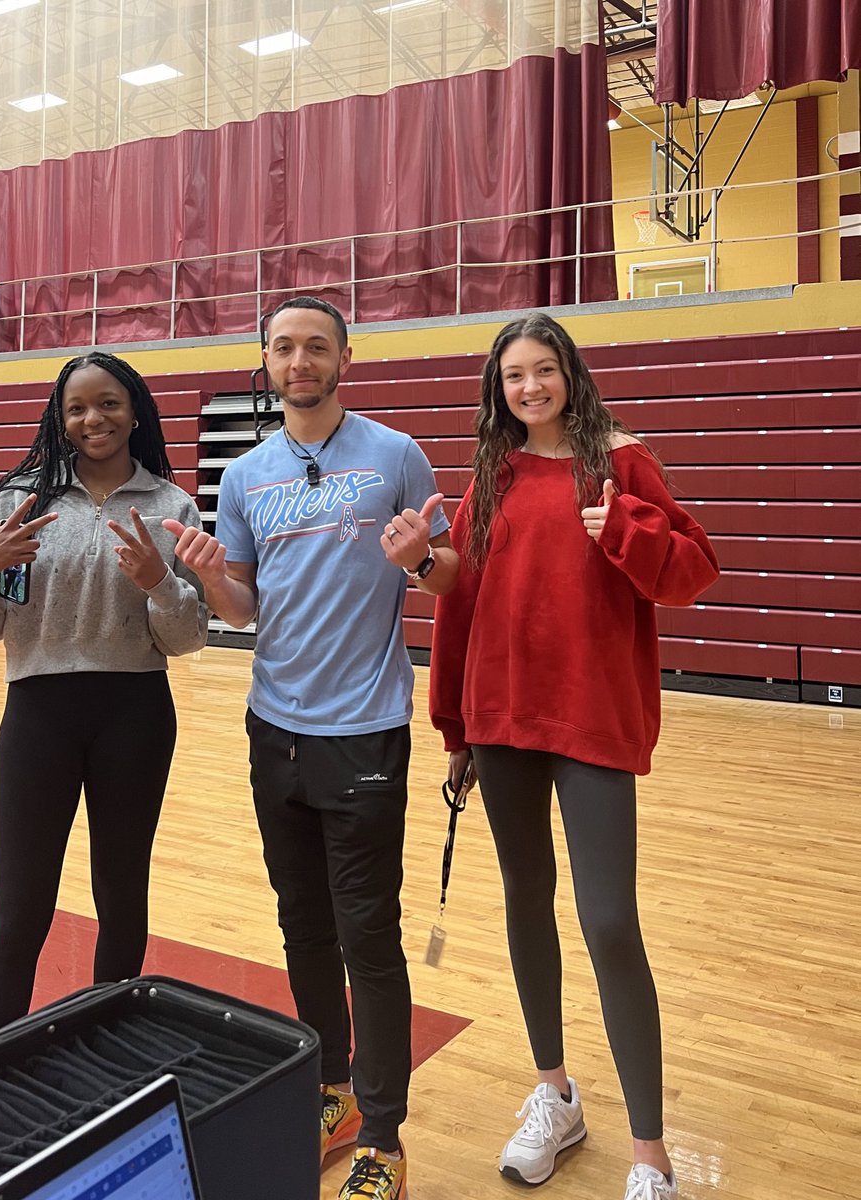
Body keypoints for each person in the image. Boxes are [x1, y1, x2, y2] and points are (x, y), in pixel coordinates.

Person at [162, 297, 457, 1200]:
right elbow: (247, 610)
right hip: (272, 730)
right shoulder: (247, 473)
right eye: (285, 347)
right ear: (266, 358)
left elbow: (451, 579)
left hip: (364, 730)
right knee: (303, 923)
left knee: (370, 934)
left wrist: (418, 559)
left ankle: (384, 1134)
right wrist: (215, 582)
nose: (300, 360)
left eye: (316, 346)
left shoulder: (395, 456)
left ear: (344, 358)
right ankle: (330, 1089)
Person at [429, 312, 719, 1200]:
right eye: (513, 376)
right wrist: (455, 727)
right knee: (526, 904)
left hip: (589, 718)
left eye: (543, 370)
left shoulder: (623, 462)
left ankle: (650, 1154)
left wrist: (626, 528)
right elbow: (463, 602)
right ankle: (554, 1094)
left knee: (609, 923)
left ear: (570, 374)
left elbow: (693, 570)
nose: (529, 388)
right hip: (503, 720)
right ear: (498, 389)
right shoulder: (492, 473)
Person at [0, 351, 208, 1038]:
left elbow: (186, 639)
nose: (94, 418)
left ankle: (108, 1049)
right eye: (77, 407)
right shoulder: (21, 503)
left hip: (135, 716)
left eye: (109, 403)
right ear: (60, 421)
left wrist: (160, 581)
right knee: (22, 905)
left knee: (122, 897)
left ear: (135, 412)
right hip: (38, 716)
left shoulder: (170, 506)